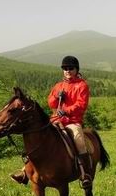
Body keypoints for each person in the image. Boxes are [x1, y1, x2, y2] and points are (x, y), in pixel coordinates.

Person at [10, 55, 93, 188]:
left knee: (78, 138)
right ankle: (26, 171)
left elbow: (81, 104)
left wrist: (66, 111)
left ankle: (84, 173)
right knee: (38, 139)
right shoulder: (59, 85)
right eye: (65, 68)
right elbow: (51, 102)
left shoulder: (82, 85)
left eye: (70, 68)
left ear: (76, 69)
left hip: (72, 121)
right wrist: (57, 95)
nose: (67, 70)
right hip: (55, 119)